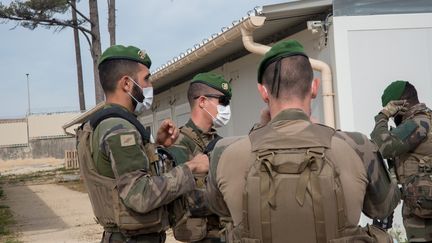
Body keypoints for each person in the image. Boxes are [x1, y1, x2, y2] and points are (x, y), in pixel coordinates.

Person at [206, 40, 401, 242]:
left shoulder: (224, 152)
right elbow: (382, 207)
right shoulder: (357, 146)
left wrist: (259, 131)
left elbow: (219, 208)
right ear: (315, 87)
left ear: (263, 92)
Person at [76, 45, 209, 243]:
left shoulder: (101, 124)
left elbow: (122, 173)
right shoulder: (120, 129)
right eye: (146, 78)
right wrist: (192, 167)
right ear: (127, 84)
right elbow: (140, 195)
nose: (150, 84)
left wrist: (157, 147)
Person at [166, 72, 232, 243]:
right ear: (202, 101)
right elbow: (182, 199)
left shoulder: (219, 142)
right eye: (223, 101)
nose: (226, 107)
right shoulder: (179, 143)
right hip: (199, 237)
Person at [371, 81, 432, 242]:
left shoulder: (419, 122)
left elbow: (383, 146)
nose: (392, 119)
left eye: (392, 112)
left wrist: (382, 116)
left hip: (424, 219)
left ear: (400, 105)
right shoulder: (426, 120)